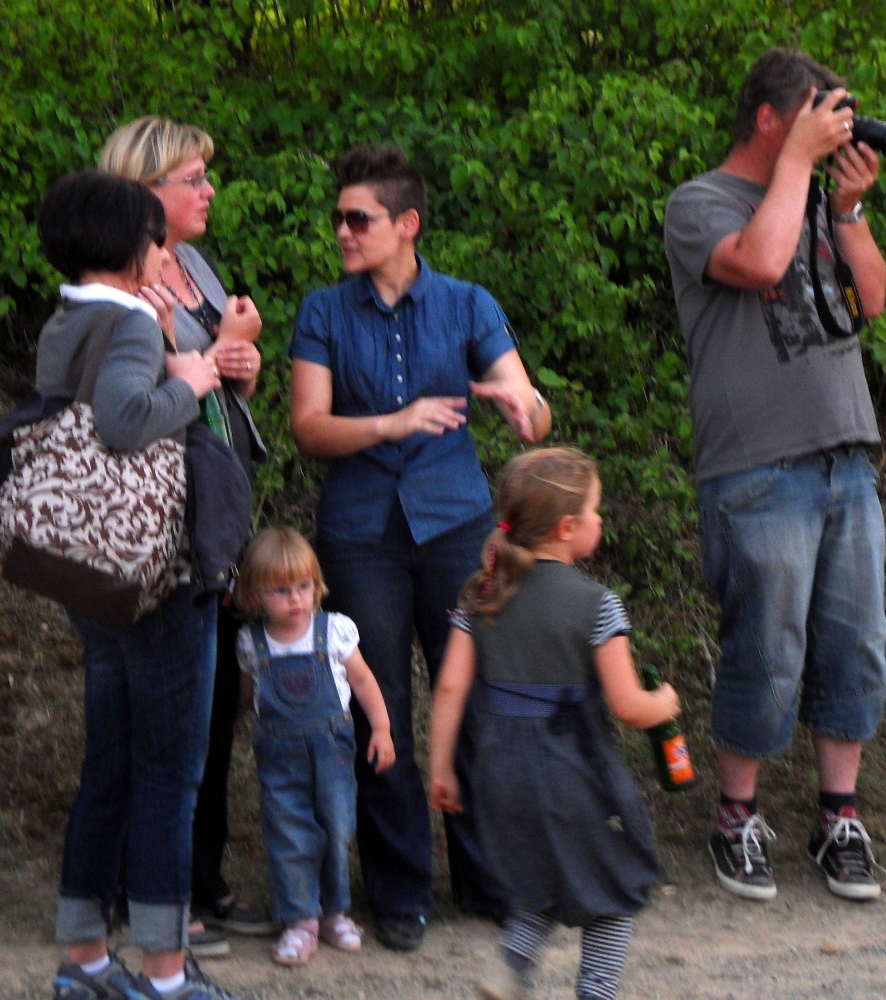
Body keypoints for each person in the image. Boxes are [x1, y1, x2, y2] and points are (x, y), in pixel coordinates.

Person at [289, 143, 553, 951]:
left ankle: (488, 878)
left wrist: (523, 406)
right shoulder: (323, 312)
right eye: (339, 217)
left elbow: (531, 408)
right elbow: (309, 428)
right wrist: (391, 424)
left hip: (455, 526)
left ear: (406, 224)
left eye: (358, 218)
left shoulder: (468, 303)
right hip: (360, 533)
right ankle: (400, 891)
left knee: (473, 699)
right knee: (381, 714)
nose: (342, 231)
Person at [662, 48, 886, 904]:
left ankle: (839, 817)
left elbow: (870, 301)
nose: (831, 130)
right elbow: (760, 263)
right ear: (768, 118)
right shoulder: (699, 203)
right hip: (757, 463)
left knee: (854, 643)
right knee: (765, 646)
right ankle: (737, 817)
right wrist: (797, 165)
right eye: (812, 115)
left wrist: (850, 208)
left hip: (845, 453)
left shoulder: (818, 199)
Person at [35, 170, 243, 1000]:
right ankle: (164, 972)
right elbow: (123, 422)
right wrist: (192, 378)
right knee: (167, 776)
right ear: (131, 249)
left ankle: (85, 960)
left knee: (109, 769)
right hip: (155, 574)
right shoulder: (126, 323)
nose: (167, 254)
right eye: (157, 242)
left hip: (89, 567)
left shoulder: (65, 320)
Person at [98, 116, 278, 947]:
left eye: (208, 175)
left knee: (211, 707)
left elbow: (217, 381)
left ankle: (201, 882)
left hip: (215, 510)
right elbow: (143, 396)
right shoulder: (122, 277)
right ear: (146, 190)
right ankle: (148, 895)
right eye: (193, 178)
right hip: (156, 518)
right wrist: (221, 348)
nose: (209, 191)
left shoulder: (195, 266)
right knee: (157, 717)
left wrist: (244, 363)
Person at [429, 447, 680, 1000]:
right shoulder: (598, 604)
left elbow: (448, 688)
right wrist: (664, 704)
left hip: (499, 772)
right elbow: (628, 706)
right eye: (595, 511)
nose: (600, 520)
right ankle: (596, 990)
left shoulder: (481, 595)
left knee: (539, 879)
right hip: (573, 771)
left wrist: (442, 768)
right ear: (567, 528)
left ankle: (509, 968)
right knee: (614, 887)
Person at [232, 527, 397, 967]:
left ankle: (334, 912)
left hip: (333, 754)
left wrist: (381, 729)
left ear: (316, 585)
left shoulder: (334, 631)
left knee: (337, 828)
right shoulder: (251, 642)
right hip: (279, 758)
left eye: (303, 586)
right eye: (281, 590)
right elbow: (247, 696)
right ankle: (300, 919)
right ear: (254, 594)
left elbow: (363, 681)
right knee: (289, 834)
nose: (295, 599)